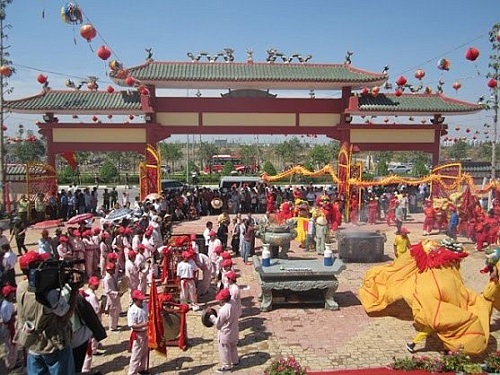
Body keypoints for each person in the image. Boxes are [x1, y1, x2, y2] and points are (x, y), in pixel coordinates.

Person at [14, 251, 82, 374]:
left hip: (33, 345)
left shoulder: (21, 287)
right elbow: (65, 316)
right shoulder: (50, 294)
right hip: (53, 346)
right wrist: (74, 291)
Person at [208, 288, 240, 373]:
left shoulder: (223, 310)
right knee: (233, 347)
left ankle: (226, 366)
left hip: (226, 333)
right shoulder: (233, 302)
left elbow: (218, 324)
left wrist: (211, 316)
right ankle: (235, 361)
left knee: (225, 350)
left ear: (223, 299)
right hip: (234, 330)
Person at [127, 289, 148, 375]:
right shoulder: (132, 310)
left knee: (144, 352)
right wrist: (145, 324)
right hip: (138, 334)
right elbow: (132, 325)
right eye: (140, 299)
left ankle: (141, 369)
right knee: (136, 355)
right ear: (135, 299)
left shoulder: (145, 305)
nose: (142, 300)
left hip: (146, 332)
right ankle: (132, 373)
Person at [1, 284, 19, 370]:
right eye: (12, 292)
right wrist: (15, 313)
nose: (13, 293)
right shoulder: (6, 306)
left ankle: (13, 361)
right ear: (8, 295)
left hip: (10, 326)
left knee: (13, 346)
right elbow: (6, 319)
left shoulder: (9, 303)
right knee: (10, 346)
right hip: (8, 328)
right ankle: (10, 365)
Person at [103, 262, 121, 332]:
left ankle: (115, 324)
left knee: (116, 311)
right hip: (111, 298)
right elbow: (108, 291)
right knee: (112, 313)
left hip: (115, 297)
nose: (113, 270)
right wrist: (117, 293)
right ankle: (112, 327)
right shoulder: (107, 279)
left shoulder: (112, 276)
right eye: (112, 269)